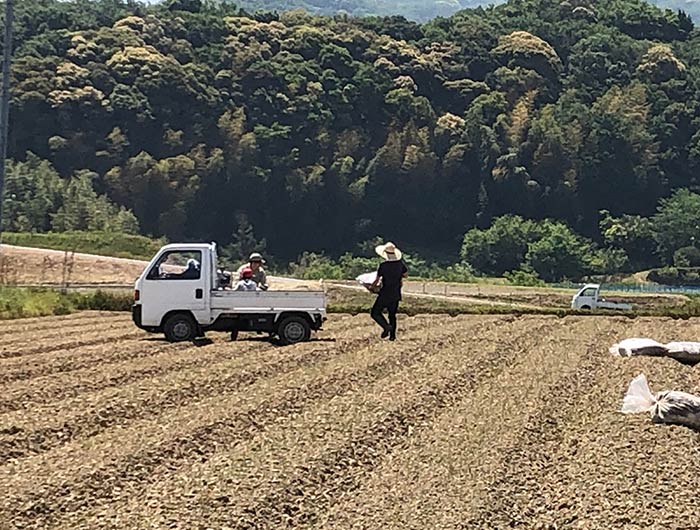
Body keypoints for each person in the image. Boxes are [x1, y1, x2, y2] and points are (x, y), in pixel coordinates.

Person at [369, 242, 408, 341]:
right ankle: (392, 336)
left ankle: (386, 327)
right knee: (392, 314)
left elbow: (377, 280)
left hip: (385, 292)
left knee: (375, 312)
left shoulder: (383, 266)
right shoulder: (400, 264)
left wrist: (371, 287)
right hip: (395, 292)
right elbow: (406, 275)